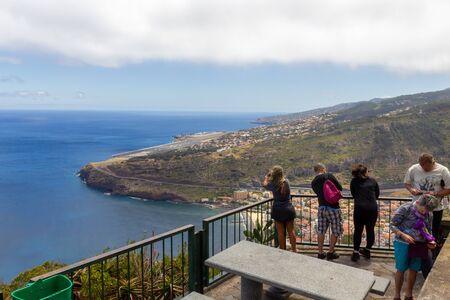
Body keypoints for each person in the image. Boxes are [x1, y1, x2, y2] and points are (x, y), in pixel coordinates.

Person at [404, 153, 450, 277]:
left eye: (426, 167)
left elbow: (449, 188)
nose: (423, 169)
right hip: (417, 209)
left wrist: (435, 194)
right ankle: (416, 261)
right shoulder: (413, 169)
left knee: (432, 234)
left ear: (432, 163)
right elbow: (407, 183)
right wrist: (411, 190)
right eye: (422, 166)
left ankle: (429, 260)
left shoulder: (443, 170)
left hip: (435, 208)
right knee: (416, 233)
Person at [390, 194, 438, 300]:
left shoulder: (429, 214)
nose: (425, 213)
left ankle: (409, 295)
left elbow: (428, 230)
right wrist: (403, 235)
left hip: (419, 245)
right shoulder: (406, 209)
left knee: (414, 269)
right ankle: (397, 295)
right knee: (401, 269)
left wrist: (431, 241)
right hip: (402, 244)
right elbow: (392, 225)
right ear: (417, 203)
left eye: (427, 211)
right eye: (423, 210)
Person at [311, 163, 343, 260]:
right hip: (333, 208)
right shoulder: (329, 176)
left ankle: (320, 252)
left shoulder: (313, 182)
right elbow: (339, 188)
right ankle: (330, 252)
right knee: (335, 230)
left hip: (321, 208)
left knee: (321, 230)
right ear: (322, 169)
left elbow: (318, 193)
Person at [263, 166, 297, 252]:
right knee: (291, 231)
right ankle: (294, 250)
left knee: (280, 233)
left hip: (278, 209)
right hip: (288, 208)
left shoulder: (272, 184)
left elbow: (265, 185)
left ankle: (282, 250)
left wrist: (266, 178)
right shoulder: (286, 182)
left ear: (274, 174)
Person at [350, 164, 380, 262]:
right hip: (372, 208)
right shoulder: (373, 181)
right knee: (370, 230)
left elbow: (353, 194)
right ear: (365, 172)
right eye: (368, 171)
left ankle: (355, 253)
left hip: (359, 208)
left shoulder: (354, 182)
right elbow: (377, 194)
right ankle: (367, 250)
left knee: (358, 230)